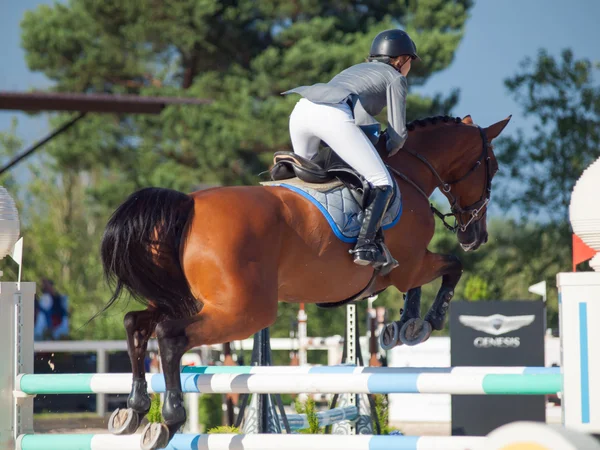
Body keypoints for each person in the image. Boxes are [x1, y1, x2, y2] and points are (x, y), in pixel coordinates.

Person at [282, 29, 418, 268]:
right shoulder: (395, 77)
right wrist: (389, 148)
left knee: (306, 180)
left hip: (301, 109)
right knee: (382, 182)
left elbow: (360, 119)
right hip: (332, 114)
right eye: (410, 62)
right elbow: (398, 134)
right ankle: (365, 246)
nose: (409, 67)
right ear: (401, 59)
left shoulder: (355, 70)